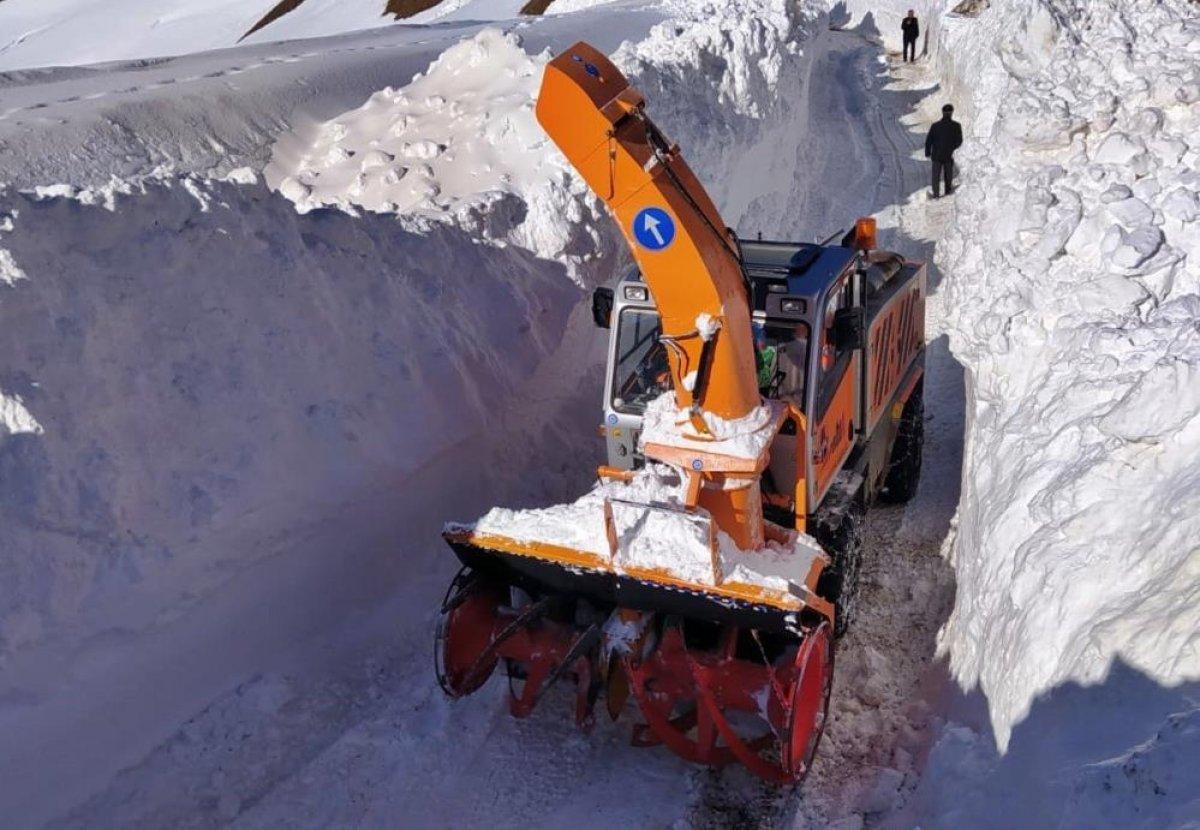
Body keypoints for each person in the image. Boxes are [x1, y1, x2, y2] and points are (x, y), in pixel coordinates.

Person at [925, 104, 963, 198]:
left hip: (936, 155)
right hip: (949, 155)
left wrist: (928, 152)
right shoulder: (956, 126)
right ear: (951, 113)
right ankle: (948, 191)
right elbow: (959, 141)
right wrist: (952, 148)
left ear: (942, 113)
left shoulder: (935, 126)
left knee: (936, 176)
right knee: (948, 175)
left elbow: (929, 140)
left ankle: (936, 194)